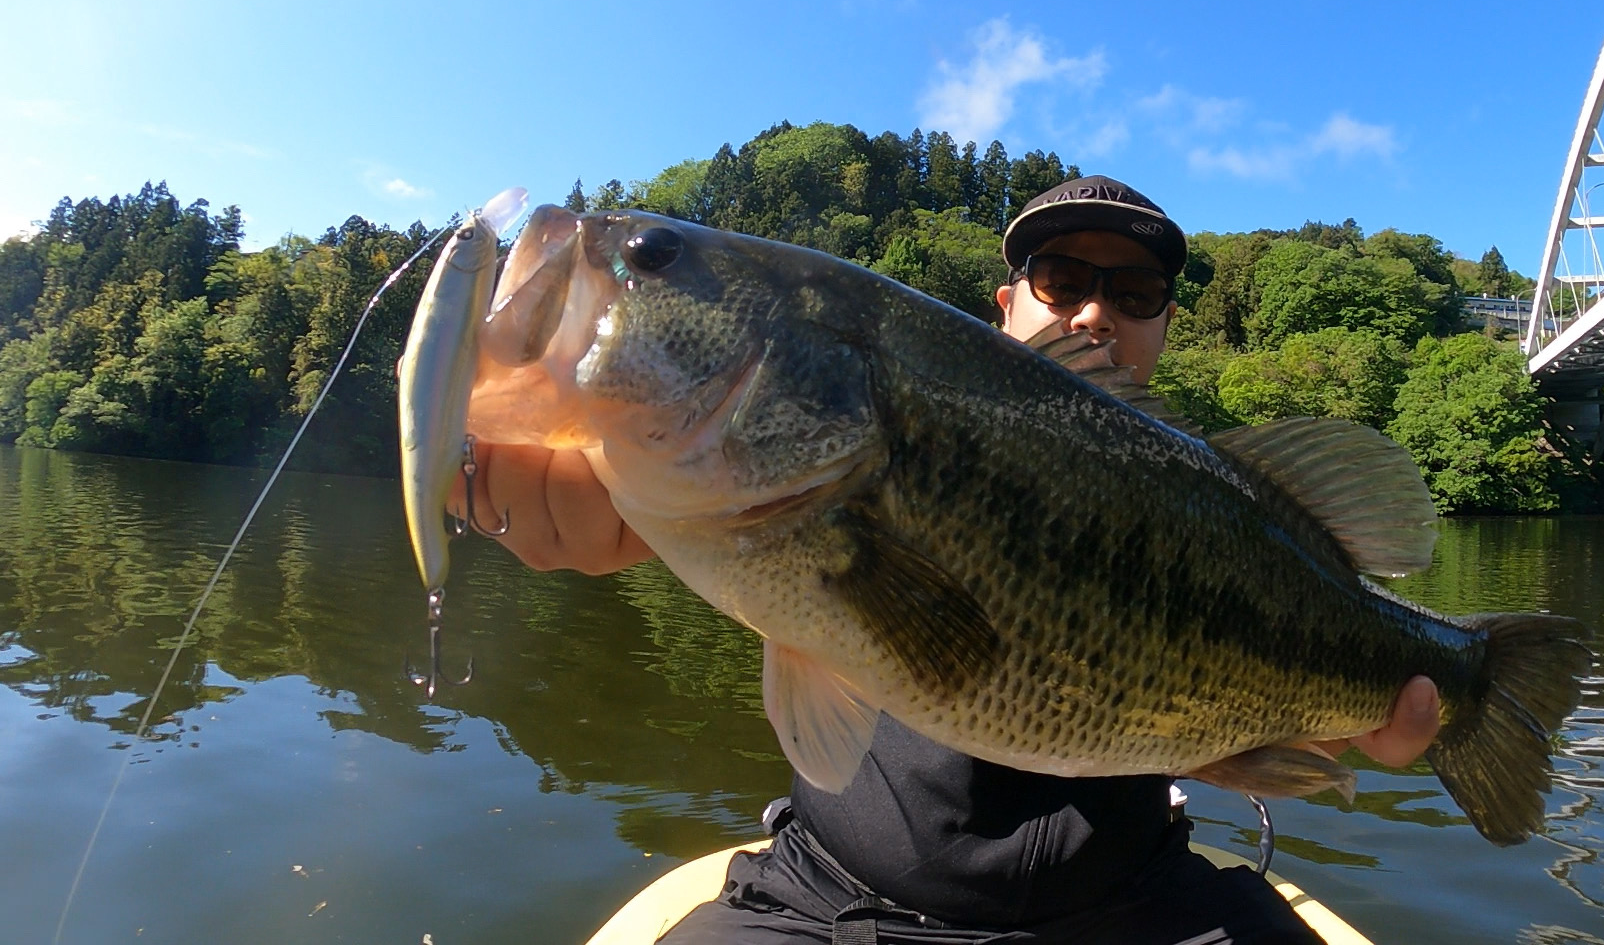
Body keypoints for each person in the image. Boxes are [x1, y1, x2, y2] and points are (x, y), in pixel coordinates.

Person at [460, 177, 1441, 944]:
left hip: (1141, 909)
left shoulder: (1220, 507)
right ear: (1005, 304)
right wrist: (550, 472)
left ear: (1166, 325)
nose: (1097, 313)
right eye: (1064, 282)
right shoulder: (792, 462)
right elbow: (560, 445)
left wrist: (1317, 722)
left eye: (1134, 292)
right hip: (830, 904)